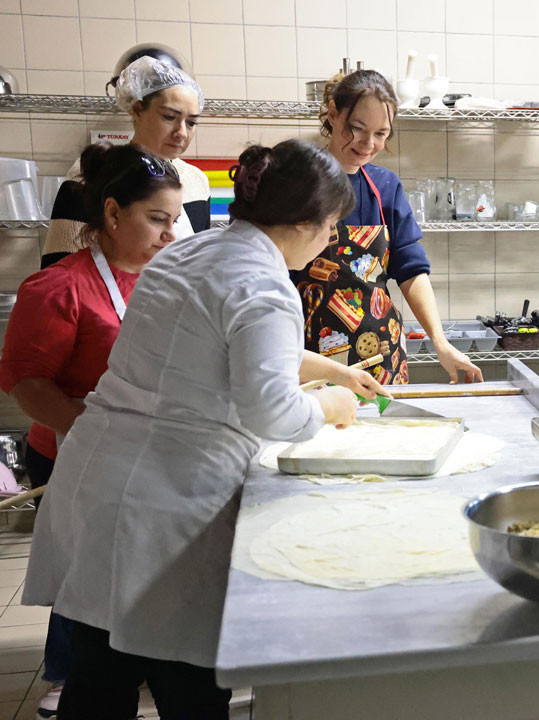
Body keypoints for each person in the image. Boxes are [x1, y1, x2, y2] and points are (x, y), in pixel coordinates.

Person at [20, 139, 366, 719]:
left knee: (99, 679)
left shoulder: (188, 252)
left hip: (100, 476)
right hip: (169, 502)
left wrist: (316, 373)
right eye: (330, 227)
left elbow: (203, 356)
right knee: (189, 692)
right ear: (304, 223)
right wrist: (327, 405)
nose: (330, 239)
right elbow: (270, 411)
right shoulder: (265, 284)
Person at [0, 143, 182, 718]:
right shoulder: (56, 289)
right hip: (79, 462)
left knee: (144, 594)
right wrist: (97, 426)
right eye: (156, 220)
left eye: (173, 221)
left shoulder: (168, 281)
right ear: (110, 214)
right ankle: (87, 682)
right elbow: (27, 385)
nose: (168, 235)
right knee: (95, 606)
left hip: (149, 462)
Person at [296, 69, 480, 386]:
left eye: (381, 134)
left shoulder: (384, 186)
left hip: (380, 358)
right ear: (333, 114)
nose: (368, 144)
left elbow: (410, 268)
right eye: (357, 129)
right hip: (309, 357)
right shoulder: (297, 181)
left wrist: (440, 341)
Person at [43, 55, 210, 268]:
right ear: (137, 109)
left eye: (191, 122)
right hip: (106, 300)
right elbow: (58, 268)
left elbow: (199, 261)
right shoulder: (95, 173)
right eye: (169, 117)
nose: (182, 133)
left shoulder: (197, 182)